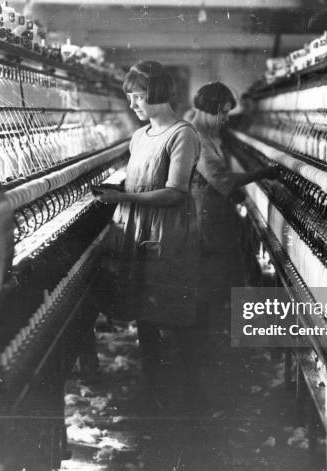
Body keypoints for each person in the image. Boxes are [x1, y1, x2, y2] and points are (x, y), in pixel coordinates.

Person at [93, 61, 201, 407]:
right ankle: (154, 388)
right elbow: (137, 179)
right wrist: (114, 188)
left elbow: (175, 192)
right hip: (137, 228)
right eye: (130, 97)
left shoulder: (182, 134)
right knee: (144, 312)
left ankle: (185, 399)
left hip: (165, 232)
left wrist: (122, 197)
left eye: (138, 96)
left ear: (157, 94)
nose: (133, 104)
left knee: (168, 311)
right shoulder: (139, 137)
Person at [190, 81, 278, 328]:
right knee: (214, 275)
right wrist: (265, 173)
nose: (227, 119)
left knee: (216, 274)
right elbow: (221, 178)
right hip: (205, 219)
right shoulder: (196, 137)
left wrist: (236, 193)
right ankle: (214, 334)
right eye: (224, 112)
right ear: (211, 109)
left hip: (210, 213)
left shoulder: (202, 134)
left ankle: (214, 329)